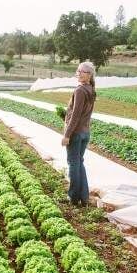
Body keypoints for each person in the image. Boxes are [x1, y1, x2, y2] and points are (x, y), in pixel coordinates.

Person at [61, 61, 96, 206]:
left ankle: (73, 197)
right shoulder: (91, 89)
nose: (79, 73)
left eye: (82, 71)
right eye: (78, 71)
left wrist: (67, 135)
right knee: (79, 163)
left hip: (76, 134)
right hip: (85, 132)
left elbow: (75, 115)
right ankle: (84, 197)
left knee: (73, 163)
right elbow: (82, 114)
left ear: (89, 75)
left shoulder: (80, 90)